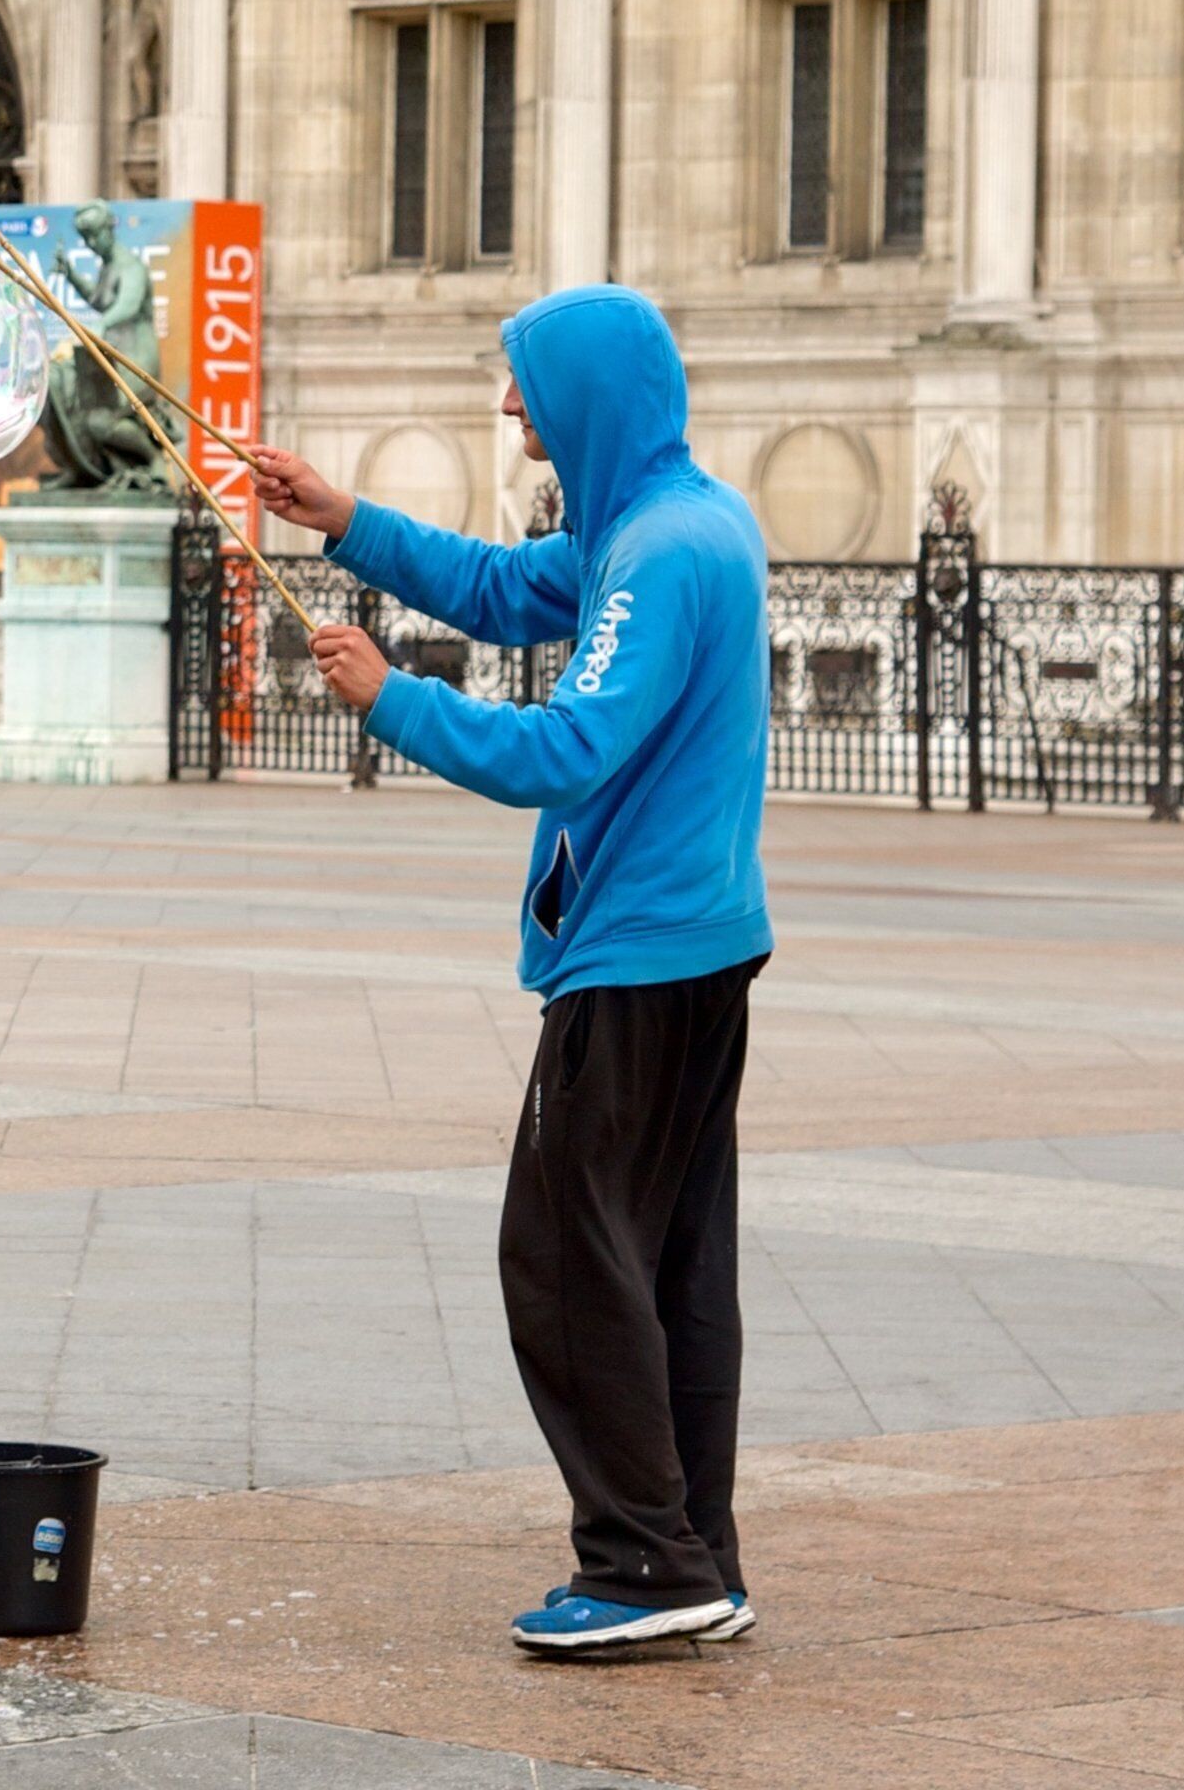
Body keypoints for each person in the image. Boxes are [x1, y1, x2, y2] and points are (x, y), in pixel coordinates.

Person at [241, 284, 772, 1656]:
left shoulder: (659, 554)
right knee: (662, 1265)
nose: (505, 405)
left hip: (640, 958)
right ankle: (692, 1551)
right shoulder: (661, 524)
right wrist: (341, 517)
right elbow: (496, 587)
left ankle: (644, 1563)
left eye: (521, 384)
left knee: (560, 1256)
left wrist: (393, 701)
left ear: (585, 392)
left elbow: (570, 751)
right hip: (697, 941)